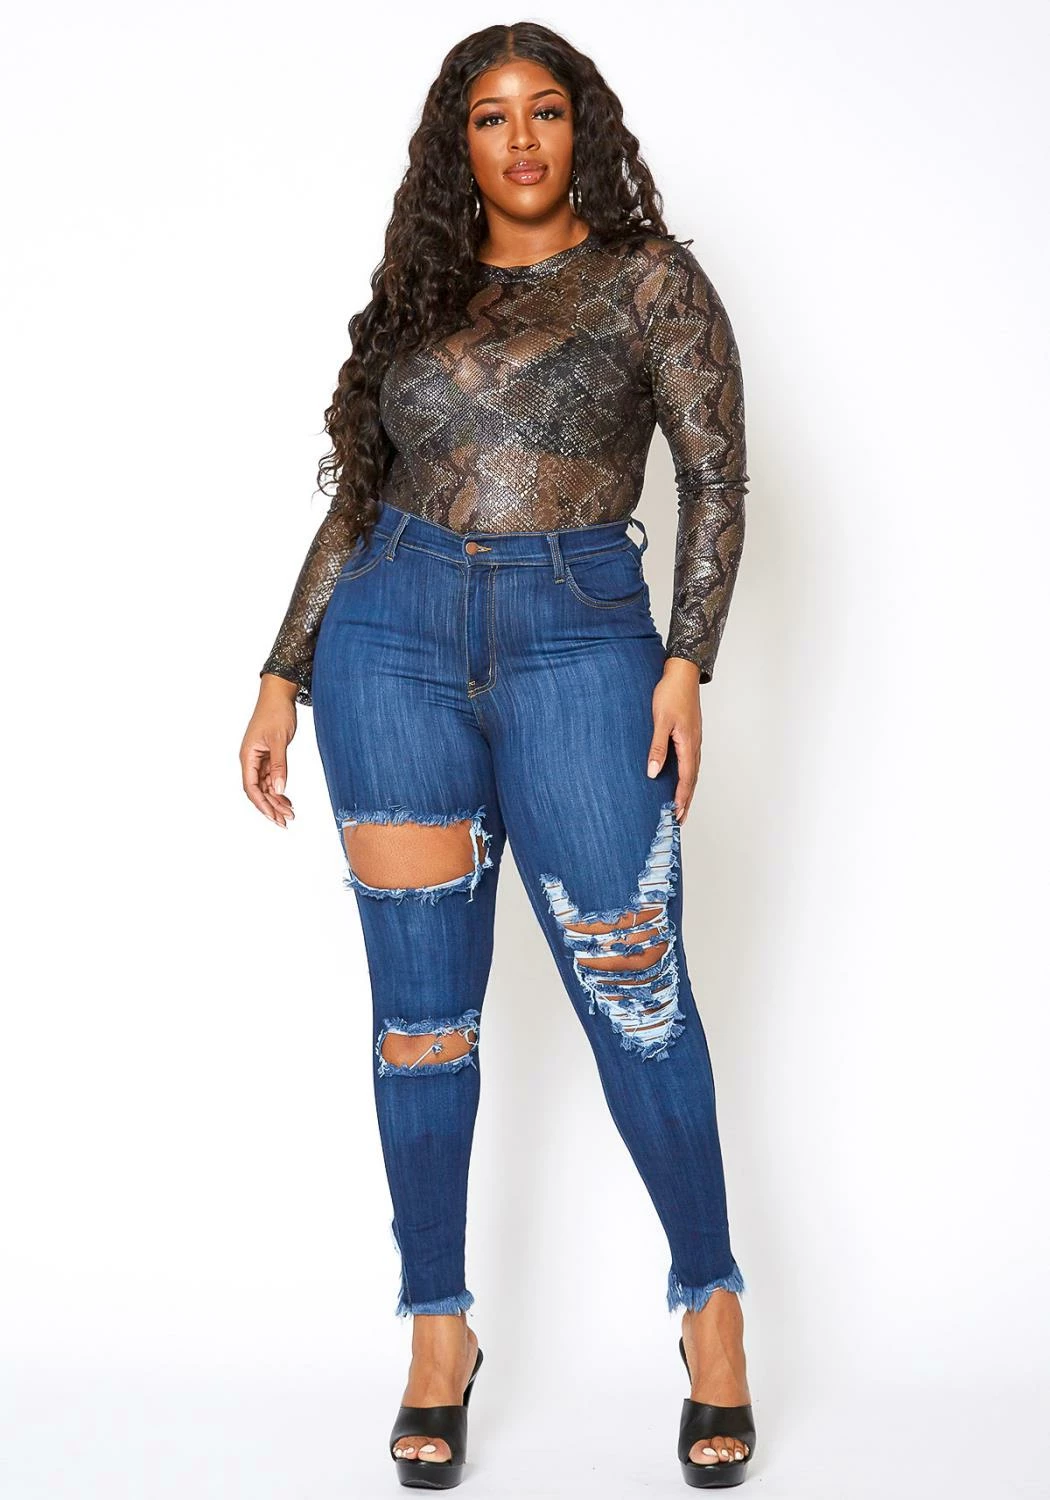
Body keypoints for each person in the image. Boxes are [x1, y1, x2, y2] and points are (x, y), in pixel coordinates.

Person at [240, 21, 756, 1490]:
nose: (520, 138)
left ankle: (711, 1309)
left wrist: (686, 660)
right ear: (455, 143)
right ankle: (436, 1332)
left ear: (582, 128)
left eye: (544, 110)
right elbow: (363, 494)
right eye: (488, 115)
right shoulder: (420, 288)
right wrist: (282, 671)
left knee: (634, 988)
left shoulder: (650, 279)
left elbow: (717, 476)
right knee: (420, 1021)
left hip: (578, 634)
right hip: (389, 638)